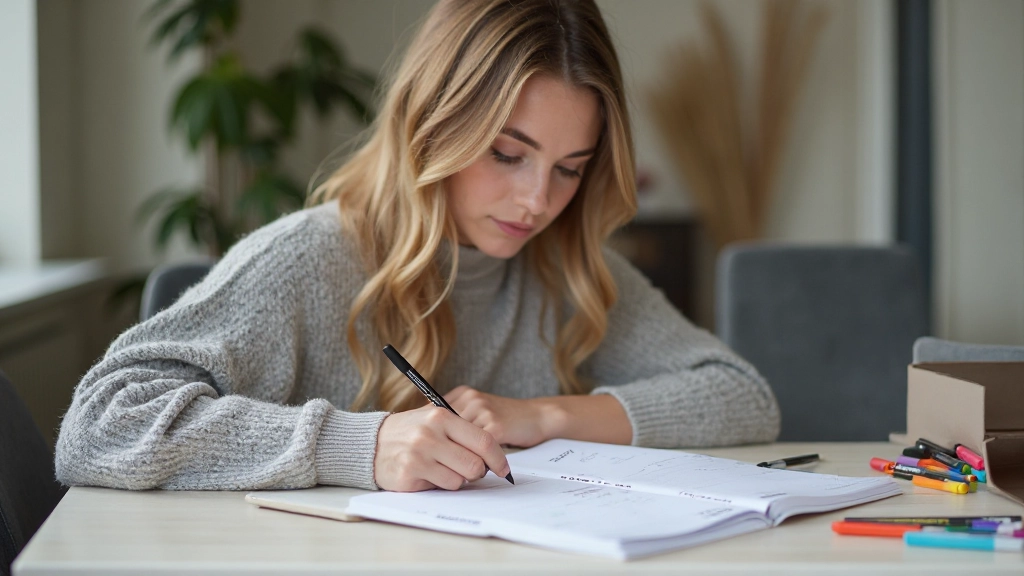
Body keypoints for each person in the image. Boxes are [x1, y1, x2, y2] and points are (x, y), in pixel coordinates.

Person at [55, 0, 780, 493]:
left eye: (569, 169)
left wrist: (547, 414)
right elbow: (99, 425)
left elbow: (743, 397)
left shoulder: (566, 271)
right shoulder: (310, 260)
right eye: (506, 153)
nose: (537, 201)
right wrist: (360, 447)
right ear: (434, 124)